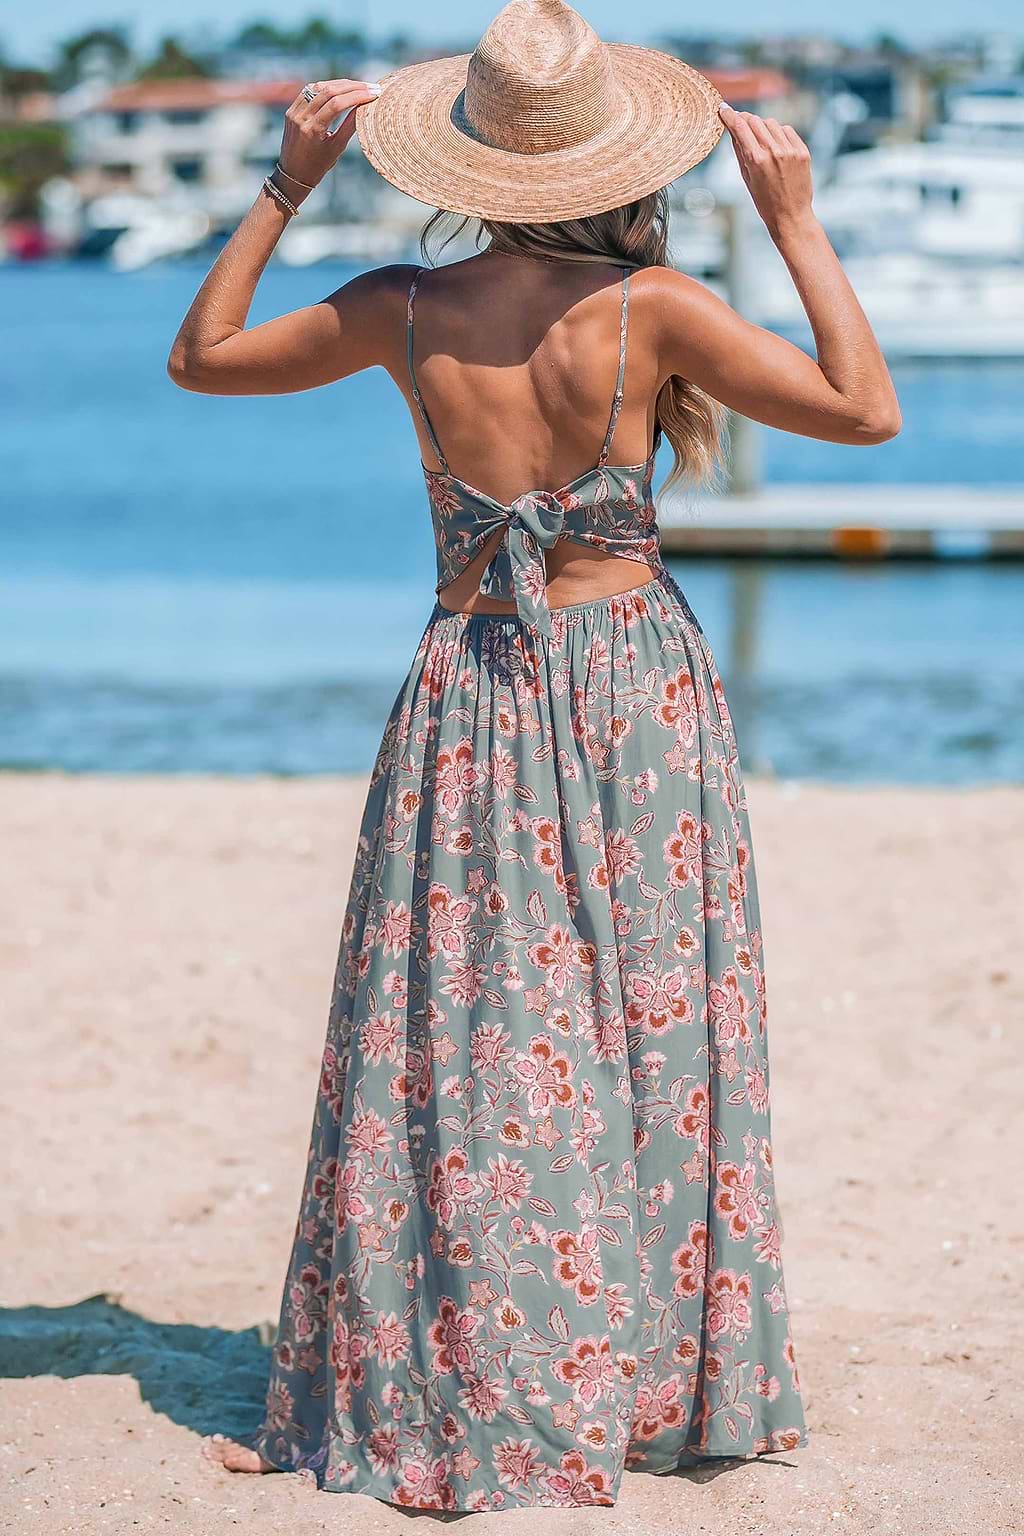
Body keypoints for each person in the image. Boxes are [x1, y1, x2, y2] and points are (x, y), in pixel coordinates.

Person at [169, 0, 899, 1512]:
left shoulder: (403, 308)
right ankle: (639, 1378)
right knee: (651, 1020)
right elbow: (866, 412)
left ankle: (463, 1364)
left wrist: (284, 185)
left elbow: (203, 356)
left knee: (456, 1028)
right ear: (614, 160)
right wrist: (798, 225)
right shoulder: (658, 311)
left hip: (470, 689)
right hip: (634, 690)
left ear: (473, 160)